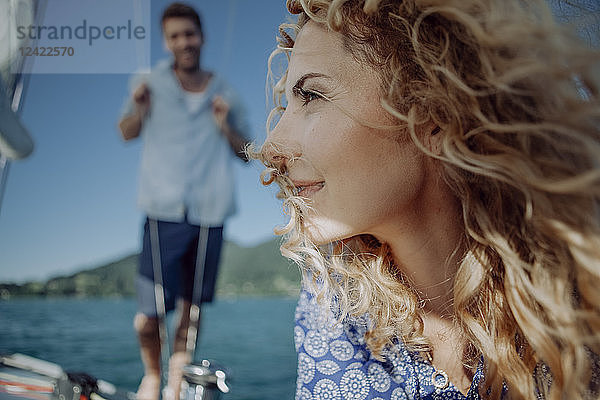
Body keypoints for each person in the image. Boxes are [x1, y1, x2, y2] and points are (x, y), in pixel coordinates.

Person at [251, 0, 600, 398]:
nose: (271, 146)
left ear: (433, 110)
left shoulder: (579, 306)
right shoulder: (335, 301)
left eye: (312, 96)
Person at [118, 3, 249, 400]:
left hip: (210, 212)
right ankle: (152, 376)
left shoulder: (225, 91)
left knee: (190, 311)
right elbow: (126, 132)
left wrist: (225, 124)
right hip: (163, 210)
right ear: (166, 41)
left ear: (201, 36)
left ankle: (176, 381)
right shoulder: (149, 83)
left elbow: (245, 152)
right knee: (149, 314)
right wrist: (139, 109)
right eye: (175, 36)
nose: (184, 42)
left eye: (189, 33)